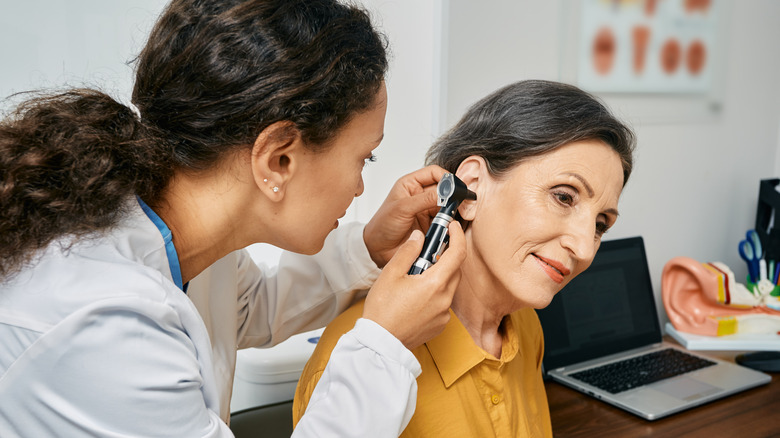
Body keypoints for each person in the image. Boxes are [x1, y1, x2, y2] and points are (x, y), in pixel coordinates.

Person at [0, 1, 466, 436]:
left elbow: (246, 307)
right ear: (278, 160)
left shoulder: (181, 237)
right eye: (366, 158)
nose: (361, 186)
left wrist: (367, 247)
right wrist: (384, 346)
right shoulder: (103, 325)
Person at [293, 79, 636, 437]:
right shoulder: (359, 356)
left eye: (600, 224)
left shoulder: (526, 327)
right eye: (564, 197)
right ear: (472, 187)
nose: (584, 248)